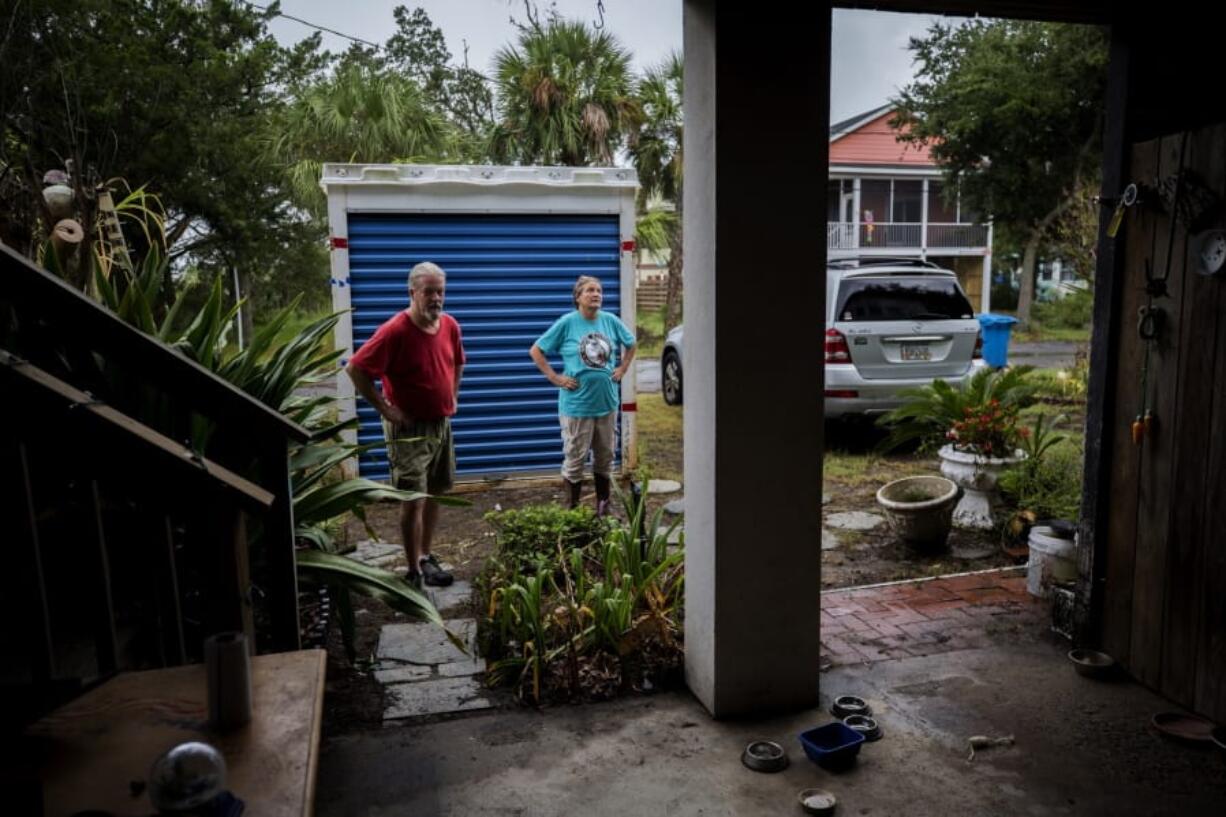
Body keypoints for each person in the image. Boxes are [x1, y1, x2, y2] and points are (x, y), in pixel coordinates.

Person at [345, 261, 463, 588]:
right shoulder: (394, 330)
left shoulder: (450, 325)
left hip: (441, 424)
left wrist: (452, 395)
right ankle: (411, 571)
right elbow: (355, 369)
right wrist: (385, 408)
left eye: (440, 291)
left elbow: (458, 362)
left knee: (436, 491)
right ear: (412, 292)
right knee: (413, 498)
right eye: (429, 292)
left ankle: (425, 557)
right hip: (409, 430)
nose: (436, 298)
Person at [529, 275, 636, 515]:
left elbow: (631, 343)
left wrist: (623, 368)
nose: (596, 294)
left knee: (605, 457)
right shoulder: (567, 323)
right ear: (578, 297)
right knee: (575, 460)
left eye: (599, 290)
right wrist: (555, 378)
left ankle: (603, 509)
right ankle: (572, 511)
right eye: (590, 290)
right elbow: (536, 350)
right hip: (577, 406)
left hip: (607, 403)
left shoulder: (610, 320)